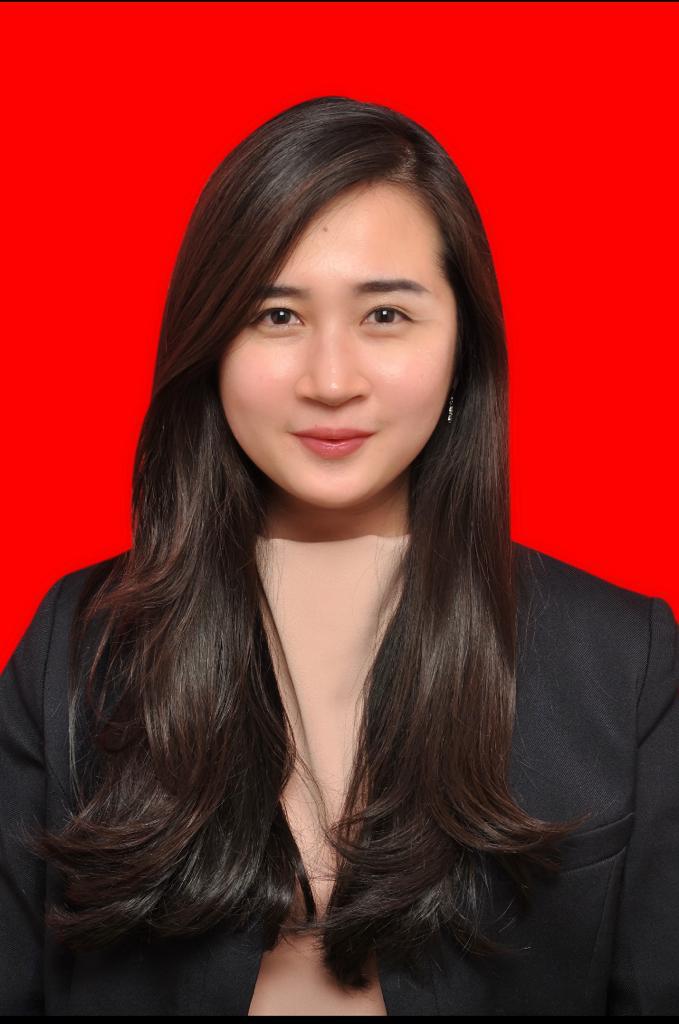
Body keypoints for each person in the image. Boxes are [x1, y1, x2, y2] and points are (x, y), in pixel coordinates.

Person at [1, 95, 677, 1016]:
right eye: (276, 315)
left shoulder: (623, 659)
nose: (329, 380)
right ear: (211, 343)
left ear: (462, 346)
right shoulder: (77, 646)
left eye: (385, 315)